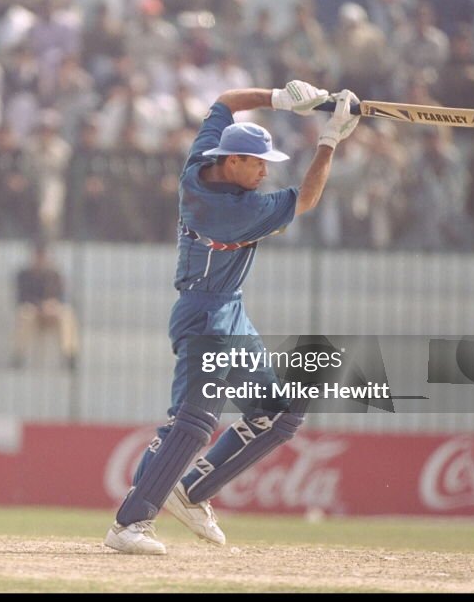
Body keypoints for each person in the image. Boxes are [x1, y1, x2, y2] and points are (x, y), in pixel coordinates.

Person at [103, 81, 361, 555]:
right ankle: (130, 525)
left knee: (279, 415)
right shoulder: (231, 211)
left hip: (230, 311)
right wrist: (329, 142)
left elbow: (225, 101)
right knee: (193, 424)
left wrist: (279, 98)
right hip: (205, 315)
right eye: (258, 163)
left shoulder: (203, 160)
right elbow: (306, 199)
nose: (264, 172)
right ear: (234, 161)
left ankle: (191, 493)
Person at [12, 242, 79, 371]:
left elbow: (62, 297)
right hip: (33, 312)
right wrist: (39, 306)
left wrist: (52, 306)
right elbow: (21, 298)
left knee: (66, 314)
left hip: (52, 313)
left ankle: (69, 354)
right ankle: (19, 354)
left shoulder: (55, 275)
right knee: (25, 313)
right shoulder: (24, 275)